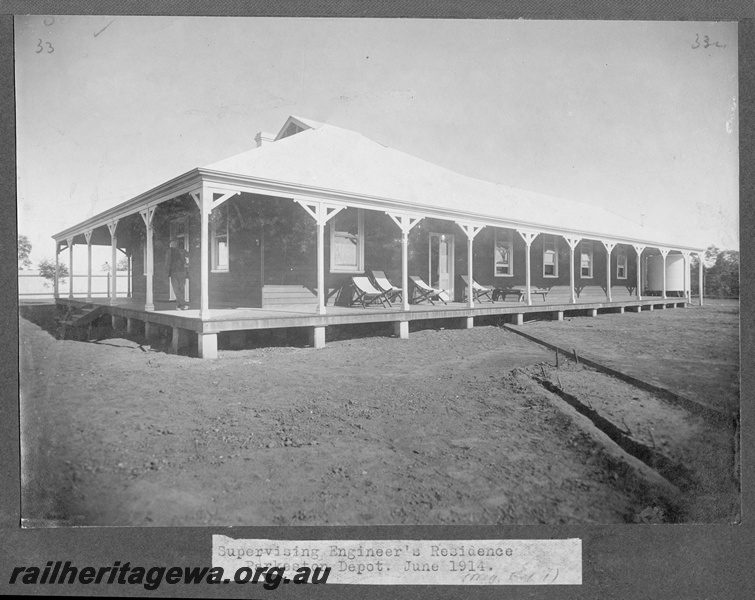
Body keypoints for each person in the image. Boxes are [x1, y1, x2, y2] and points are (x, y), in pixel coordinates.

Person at [165, 238, 189, 310]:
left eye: (174, 242)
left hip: (182, 272)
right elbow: (167, 263)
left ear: (176, 243)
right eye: (171, 243)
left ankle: (179, 305)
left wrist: (187, 264)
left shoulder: (182, 251)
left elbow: (190, 256)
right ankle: (183, 304)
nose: (172, 244)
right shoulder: (169, 252)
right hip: (173, 273)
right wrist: (166, 274)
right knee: (176, 289)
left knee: (181, 289)